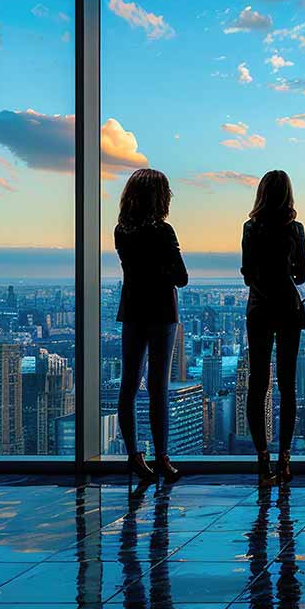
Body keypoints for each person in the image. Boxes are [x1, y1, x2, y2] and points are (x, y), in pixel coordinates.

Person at [115, 168, 188, 483]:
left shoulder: (122, 230)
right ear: (160, 197)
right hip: (161, 311)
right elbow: (181, 277)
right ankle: (162, 458)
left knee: (129, 384)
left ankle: (133, 456)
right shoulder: (163, 231)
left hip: (132, 310)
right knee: (158, 387)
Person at [241, 170, 305, 487]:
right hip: (288, 310)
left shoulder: (251, 228)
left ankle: (262, 459)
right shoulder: (295, 229)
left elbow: (247, 273)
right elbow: (302, 272)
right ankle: (284, 460)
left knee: (258, 384)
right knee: (287, 385)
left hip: (258, 309)